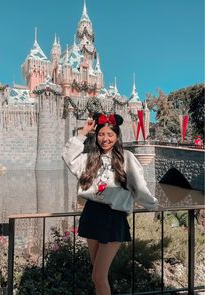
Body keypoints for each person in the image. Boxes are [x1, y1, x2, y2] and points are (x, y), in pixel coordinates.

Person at [62, 113, 158, 295]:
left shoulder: (126, 158)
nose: (105, 139)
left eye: (110, 135)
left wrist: (152, 205)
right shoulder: (90, 158)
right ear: (96, 136)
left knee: (99, 276)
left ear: (117, 137)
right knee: (97, 275)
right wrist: (83, 133)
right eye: (101, 134)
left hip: (113, 218)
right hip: (92, 214)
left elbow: (139, 186)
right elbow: (68, 157)